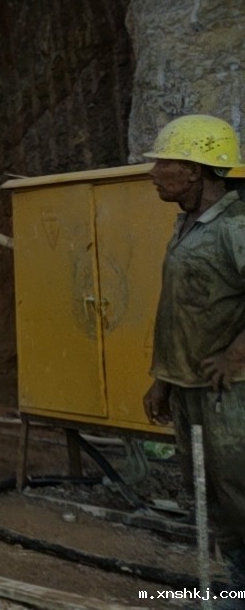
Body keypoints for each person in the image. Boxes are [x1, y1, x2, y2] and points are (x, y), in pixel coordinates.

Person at [140, 114, 245, 590]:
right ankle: (234, 583)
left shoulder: (234, 226)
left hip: (229, 391)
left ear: (195, 170)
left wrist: (235, 357)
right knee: (211, 495)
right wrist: (163, 379)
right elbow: (178, 310)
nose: (153, 172)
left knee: (238, 490)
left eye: (164, 162)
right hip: (190, 385)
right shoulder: (188, 224)